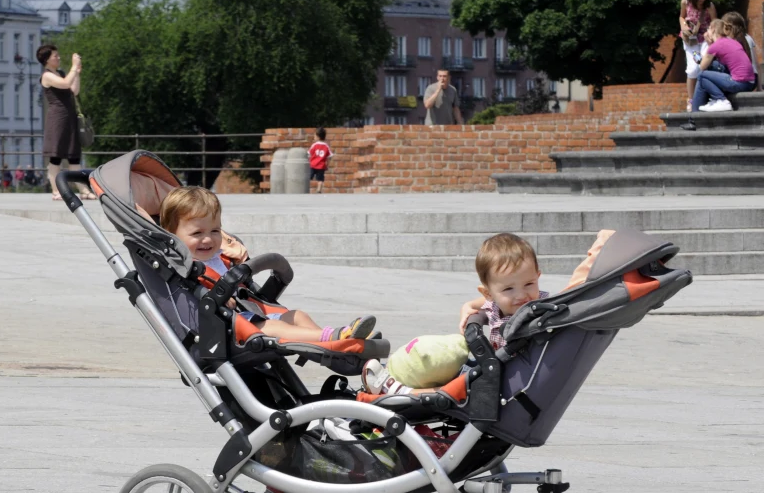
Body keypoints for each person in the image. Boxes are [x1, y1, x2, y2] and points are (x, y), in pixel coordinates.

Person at [364, 231, 613, 396]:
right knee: (445, 360)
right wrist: (470, 307)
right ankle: (393, 373)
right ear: (489, 293)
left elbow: (572, 292)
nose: (521, 295)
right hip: (490, 369)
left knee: (451, 387)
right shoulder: (498, 302)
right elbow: (482, 303)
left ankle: (398, 390)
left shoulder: (540, 310)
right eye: (508, 288)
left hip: (499, 380)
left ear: (538, 276)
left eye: (529, 284)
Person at [160, 186, 374, 343]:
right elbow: (193, 297)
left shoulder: (222, 256)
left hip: (252, 311)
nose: (208, 239)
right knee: (275, 327)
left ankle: (331, 346)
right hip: (232, 324)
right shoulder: (186, 267)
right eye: (197, 233)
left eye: (215, 231)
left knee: (298, 315)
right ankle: (333, 337)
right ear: (173, 236)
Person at [38, 43, 93, 201]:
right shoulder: (47, 75)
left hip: (70, 117)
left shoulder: (61, 73)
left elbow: (73, 90)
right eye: (55, 56)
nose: (59, 58)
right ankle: (57, 190)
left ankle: (82, 189)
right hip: (57, 119)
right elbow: (65, 84)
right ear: (47, 59)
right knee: (56, 156)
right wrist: (74, 68)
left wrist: (77, 73)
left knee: (73, 155)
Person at [691, 18, 755, 113]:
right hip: (750, 83)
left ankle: (721, 100)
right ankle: (695, 116)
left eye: (708, 29)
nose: (706, 32)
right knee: (713, 67)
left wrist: (709, 45)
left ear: (713, 29)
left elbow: (702, 67)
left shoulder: (716, 45)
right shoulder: (731, 41)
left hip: (739, 83)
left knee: (701, 75)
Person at [679, 0, 717, 113]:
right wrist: (683, 27)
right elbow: (681, 17)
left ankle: (707, 97)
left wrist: (711, 33)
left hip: (705, 39)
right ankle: (691, 99)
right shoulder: (685, 2)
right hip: (691, 42)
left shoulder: (709, 6)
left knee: (704, 65)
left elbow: (715, 23)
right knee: (693, 68)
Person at [308, 128, 332, 193]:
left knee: (309, 177)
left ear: (318, 137)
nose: (314, 137)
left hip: (313, 165)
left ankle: (306, 188)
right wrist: (327, 164)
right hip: (321, 166)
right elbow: (329, 156)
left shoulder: (314, 145)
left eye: (315, 136)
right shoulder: (326, 146)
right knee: (320, 179)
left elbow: (309, 153)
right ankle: (319, 189)